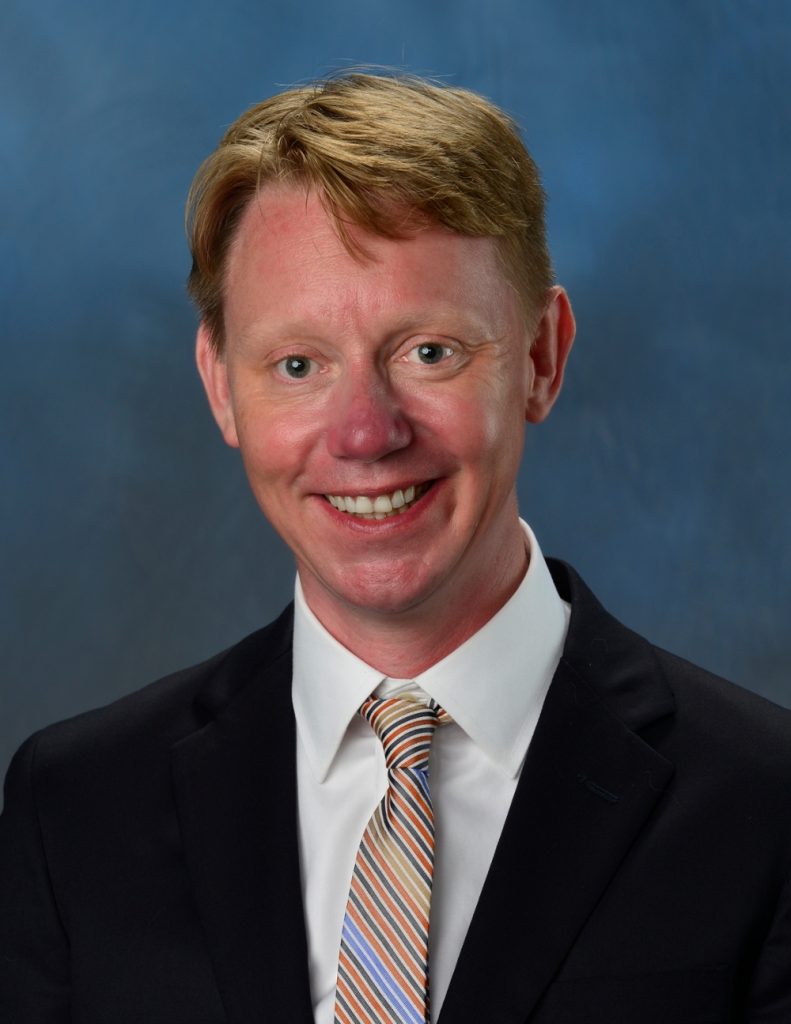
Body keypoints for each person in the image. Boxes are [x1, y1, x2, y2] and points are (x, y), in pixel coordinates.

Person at [1, 72, 789, 1024]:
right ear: (220, 388)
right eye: (297, 365)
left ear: (541, 356)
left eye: (428, 352)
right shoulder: (74, 808)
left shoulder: (763, 806)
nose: (365, 434)